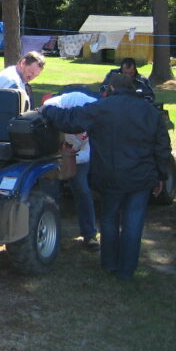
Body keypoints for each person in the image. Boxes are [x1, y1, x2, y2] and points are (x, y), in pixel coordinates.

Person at [41, 73, 173, 279]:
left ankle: (109, 264)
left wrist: (48, 108)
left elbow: (70, 120)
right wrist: (161, 176)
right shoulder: (150, 112)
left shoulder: (102, 108)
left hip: (110, 175)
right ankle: (127, 270)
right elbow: (163, 148)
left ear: (110, 88)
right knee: (133, 222)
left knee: (110, 218)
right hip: (141, 177)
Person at [43, 90, 99, 250]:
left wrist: (68, 159)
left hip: (77, 156)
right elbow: (48, 105)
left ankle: (89, 235)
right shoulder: (74, 99)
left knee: (82, 190)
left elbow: (88, 153)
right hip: (54, 150)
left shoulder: (97, 120)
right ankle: (49, 233)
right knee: (49, 193)